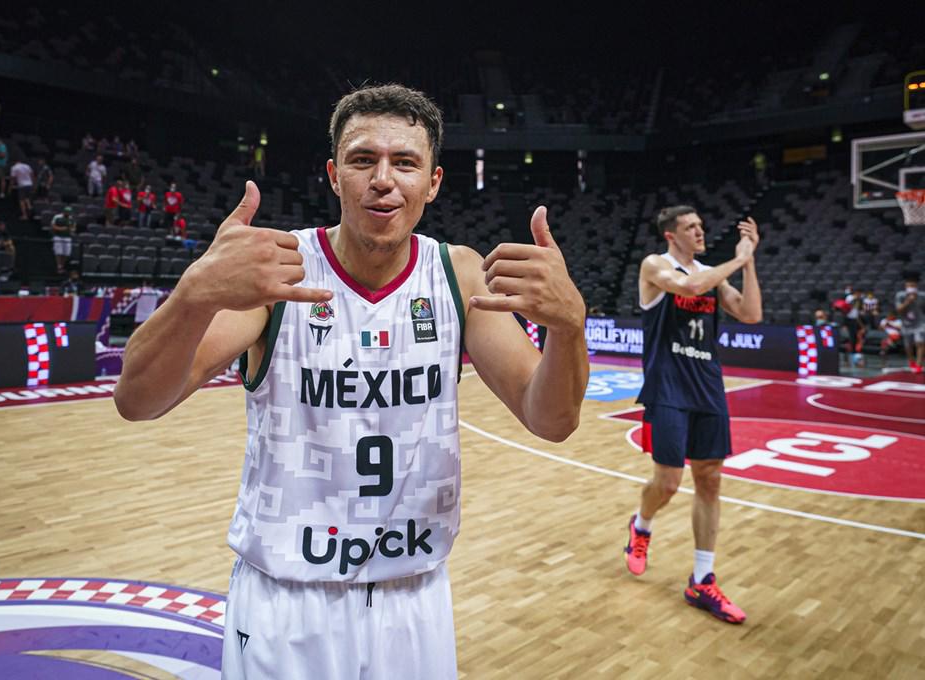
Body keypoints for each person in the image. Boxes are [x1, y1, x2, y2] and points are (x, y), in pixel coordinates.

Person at [114, 84, 588, 679]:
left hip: (414, 596)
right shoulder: (282, 271)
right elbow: (137, 399)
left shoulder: (456, 272)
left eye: (405, 163)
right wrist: (193, 294)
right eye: (364, 160)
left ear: (433, 182)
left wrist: (571, 326)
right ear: (335, 175)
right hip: (289, 600)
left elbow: (551, 419)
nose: (383, 179)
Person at [625, 205, 762, 625]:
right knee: (668, 482)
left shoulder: (710, 274)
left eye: (702, 225)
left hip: (707, 385)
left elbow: (751, 313)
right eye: (691, 227)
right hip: (667, 386)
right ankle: (642, 525)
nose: (700, 231)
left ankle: (702, 579)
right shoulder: (655, 265)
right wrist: (736, 258)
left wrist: (750, 259)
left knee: (711, 479)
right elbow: (691, 284)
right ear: (671, 235)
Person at [895, 277, 924, 373]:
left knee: (920, 342)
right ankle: (911, 361)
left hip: (919, 323)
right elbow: (898, 310)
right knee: (908, 346)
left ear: (916, 287)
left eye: (913, 286)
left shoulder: (922, 296)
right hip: (906, 324)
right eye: (909, 286)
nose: (911, 287)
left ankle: (919, 364)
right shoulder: (900, 295)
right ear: (906, 286)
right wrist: (908, 301)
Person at [51, 206, 77, 274]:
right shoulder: (57, 217)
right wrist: (62, 228)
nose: (68, 213)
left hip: (67, 237)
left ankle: (62, 266)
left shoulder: (71, 219)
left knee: (67, 253)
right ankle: (59, 267)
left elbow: (74, 228)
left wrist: (72, 230)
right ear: (64, 212)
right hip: (58, 236)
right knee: (58, 252)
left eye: (69, 212)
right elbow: (53, 226)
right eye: (67, 212)